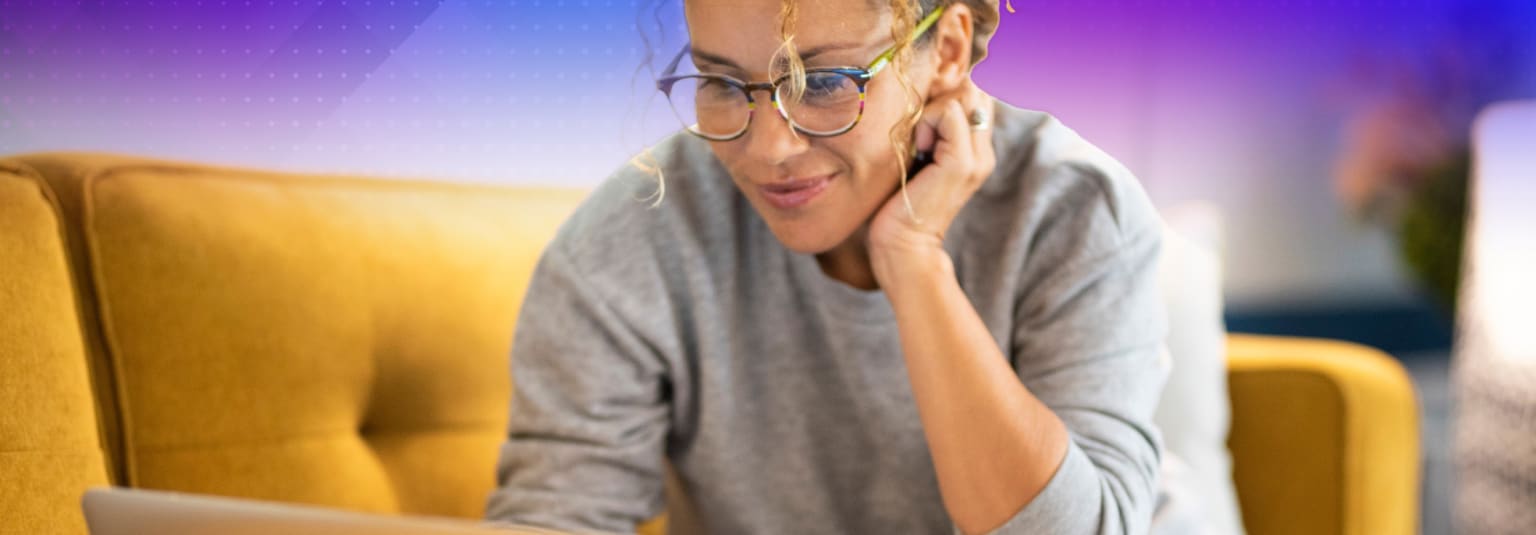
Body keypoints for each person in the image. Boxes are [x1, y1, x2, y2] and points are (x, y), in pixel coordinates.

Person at [485, 1, 1173, 533]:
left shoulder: (1078, 212)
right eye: (722, 82)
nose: (769, 148)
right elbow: (559, 515)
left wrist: (912, 260)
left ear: (949, 50)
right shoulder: (628, 241)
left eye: (824, 82)